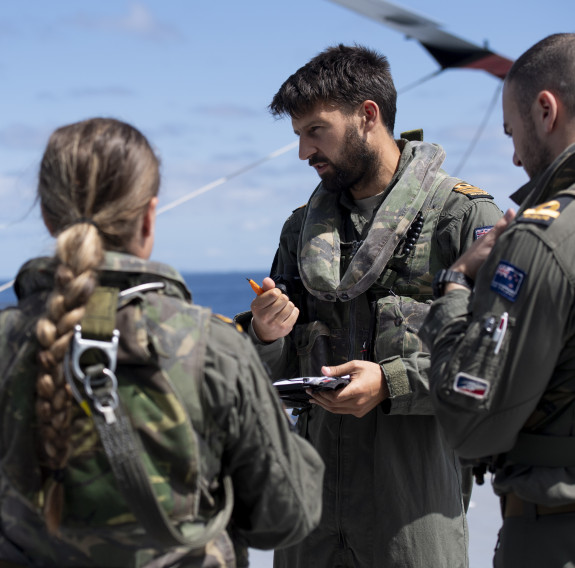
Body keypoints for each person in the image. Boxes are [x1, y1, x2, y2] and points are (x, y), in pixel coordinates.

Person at [0, 117, 324, 568]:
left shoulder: (7, 341)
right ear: (149, 218)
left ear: (48, 218)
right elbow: (286, 515)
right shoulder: (213, 347)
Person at [239, 45, 503, 567]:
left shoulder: (461, 218)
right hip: (312, 512)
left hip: (411, 512)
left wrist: (391, 382)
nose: (303, 152)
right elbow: (279, 373)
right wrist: (267, 336)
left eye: (316, 130)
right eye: (298, 136)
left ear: (367, 116)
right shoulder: (301, 229)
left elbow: (496, 363)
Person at [419, 33, 575, 567]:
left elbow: (471, 422)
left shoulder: (539, 240)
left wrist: (458, 283)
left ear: (546, 109)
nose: (513, 156)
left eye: (513, 132)